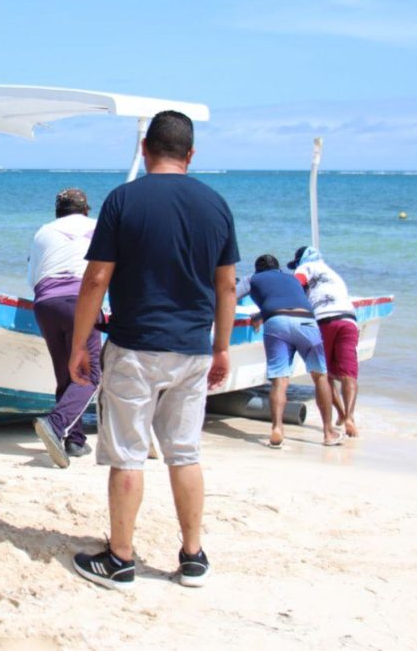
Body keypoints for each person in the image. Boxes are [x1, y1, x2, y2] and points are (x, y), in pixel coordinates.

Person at [68, 111, 238, 590]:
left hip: (135, 346)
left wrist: (80, 344)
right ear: (191, 154)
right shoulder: (216, 204)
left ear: (145, 149)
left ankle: (121, 559)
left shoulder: (124, 199)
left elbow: (96, 279)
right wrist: (222, 348)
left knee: (128, 454)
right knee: (185, 453)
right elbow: (226, 286)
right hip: (193, 348)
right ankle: (193, 557)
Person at [27, 187, 100, 465]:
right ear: (86, 209)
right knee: (90, 374)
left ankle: (75, 440)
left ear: (57, 212)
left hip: (45, 303)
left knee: (66, 375)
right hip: (81, 301)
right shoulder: (98, 226)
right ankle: (56, 425)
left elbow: (32, 278)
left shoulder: (42, 232)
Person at [236, 254, 339, 448]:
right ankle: (328, 432)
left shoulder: (253, 278)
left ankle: (277, 428)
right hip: (306, 321)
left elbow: (230, 295)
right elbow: (291, 301)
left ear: (257, 270)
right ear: (279, 268)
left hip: (276, 322)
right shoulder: (292, 279)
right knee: (320, 377)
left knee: (280, 380)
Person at [288, 246, 361, 437]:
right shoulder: (334, 274)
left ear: (301, 260)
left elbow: (296, 284)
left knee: (323, 374)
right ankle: (349, 417)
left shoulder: (306, 267)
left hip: (324, 321)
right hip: (349, 321)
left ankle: (341, 414)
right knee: (349, 375)